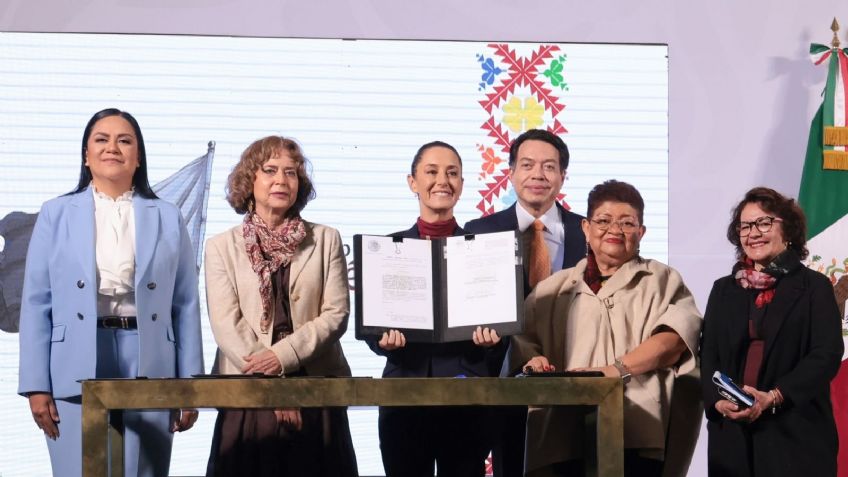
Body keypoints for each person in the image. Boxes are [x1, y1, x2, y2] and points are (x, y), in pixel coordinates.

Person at [17, 108, 204, 477]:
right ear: (86, 156)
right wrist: (36, 385)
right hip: (73, 359)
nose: (112, 148)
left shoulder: (167, 216)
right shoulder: (54, 214)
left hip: (150, 357)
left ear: (138, 158)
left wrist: (191, 384)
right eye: (101, 139)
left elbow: (185, 303)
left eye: (125, 140)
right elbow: (37, 302)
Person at [511, 180, 702, 477]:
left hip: (637, 430)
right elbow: (525, 345)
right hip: (563, 433)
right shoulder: (552, 289)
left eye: (627, 223)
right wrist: (533, 361)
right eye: (603, 220)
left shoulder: (662, 280)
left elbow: (674, 340)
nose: (615, 229)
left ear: (641, 233)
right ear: (585, 228)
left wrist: (613, 371)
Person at [204, 136, 357, 477]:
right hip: (248, 392)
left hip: (315, 390)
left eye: (291, 172)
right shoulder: (221, 247)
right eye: (270, 170)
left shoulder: (325, 238)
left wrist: (282, 359)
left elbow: (336, 315)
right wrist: (273, 385)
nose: (281, 180)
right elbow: (226, 324)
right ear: (249, 180)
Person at [367, 141, 502, 477]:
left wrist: (493, 340)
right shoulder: (386, 249)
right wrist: (381, 342)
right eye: (431, 172)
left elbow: (502, 329)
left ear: (461, 186)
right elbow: (371, 327)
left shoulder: (483, 253)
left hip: (467, 398)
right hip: (403, 397)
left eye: (452, 173)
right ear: (412, 182)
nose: (442, 180)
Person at [463, 128, 586, 476]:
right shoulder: (478, 231)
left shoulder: (588, 232)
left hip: (573, 377)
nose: (538, 175)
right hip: (502, 378)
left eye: (549, 167)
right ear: (512, 171)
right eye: (528, 164)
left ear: (563, 176)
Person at [700, 187, 843, 476]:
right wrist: (718, 402)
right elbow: (708, 354)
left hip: (796, 433)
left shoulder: (814, 287)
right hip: (733, 439)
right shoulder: (723, 289)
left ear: (788, 229)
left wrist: (774, 397)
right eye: (745, 226)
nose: (753, 233)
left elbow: (826, 354)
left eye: (764, 223)